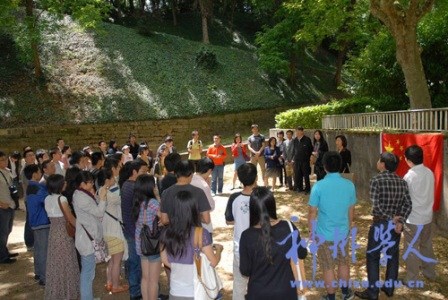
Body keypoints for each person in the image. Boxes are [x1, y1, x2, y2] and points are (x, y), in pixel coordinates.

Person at [355, 152, 412, 300]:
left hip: (380, 223)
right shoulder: (402, 182)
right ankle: (389, 288)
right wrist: (400, 221)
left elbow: (377, 205)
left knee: (373, 256)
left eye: (379, 160)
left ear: (382, 164)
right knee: (392, 256)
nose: (377, 162)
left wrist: (392, 219)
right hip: (395, 227)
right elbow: (408, 204)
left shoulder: (376, 180)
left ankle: (373, 292)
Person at [239, 187, 307, 300]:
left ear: (253, 208)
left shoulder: (247, 236)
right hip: (286, 292)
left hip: (257, 293)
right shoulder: (288, 227)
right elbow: (302, 253)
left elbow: (245, 270)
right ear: (272, 205)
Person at [308, 151, 356, 300]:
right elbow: (351, 211)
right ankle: (346, 292)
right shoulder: (349, 185)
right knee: (343, 262)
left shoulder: (318, 186)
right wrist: (349, 227)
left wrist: (312, 232)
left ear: (324, 166)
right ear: (340, 165)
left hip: (323, 233)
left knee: (327, 266)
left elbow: (312, 212)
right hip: (342, 232)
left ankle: (331, 296)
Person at [160, 190, 223, 300]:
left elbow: (165, 261)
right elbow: (213, 262)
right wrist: (218, 250)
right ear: (194, 210)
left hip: (175, 292)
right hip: (197, 292)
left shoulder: (165, 233)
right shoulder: (200, 233)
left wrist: (178, 268)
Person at [403, 145, 437, 283]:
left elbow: (405, 199)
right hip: (427, 217)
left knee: (411, 248)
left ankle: (412, 277)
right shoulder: (429, 172)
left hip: (413, 219)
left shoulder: (408, 176)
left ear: (408, 160)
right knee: (426, 245)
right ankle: (430, 273)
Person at [225, 163, 257, 300]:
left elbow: (228, 220)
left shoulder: (234, 198)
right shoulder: (262, 196)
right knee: (259, 279)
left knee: (239, 281)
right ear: (256, 178)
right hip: (260, 244)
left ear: (239, 179)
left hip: (240, 245)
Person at [44, 174, 79, 299]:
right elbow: (70, 218)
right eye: (63, 182)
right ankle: (68, 293)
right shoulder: (62, 199)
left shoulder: (47, 199)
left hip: (53, 233)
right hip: (63, 233)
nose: (65, 184)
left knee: (56, 263)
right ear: (59, 185)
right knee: (67, 262)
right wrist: (81, 228)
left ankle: (56, 291)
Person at [73, 171, 107, 300]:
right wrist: (103, 198)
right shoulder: (81, 197)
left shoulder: (83, 194)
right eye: (90, 182)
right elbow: (99, 212)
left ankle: (88, 297)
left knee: (89, 271)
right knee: (87, 272)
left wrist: (98, 197)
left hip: (88, 237)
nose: (93, 184)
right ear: (82, 184)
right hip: (86, 240)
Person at [120, 160, 149, 300]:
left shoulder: (126, 185)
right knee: (136, 264)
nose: (146, 174)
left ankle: (139, 291)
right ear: (134, 172)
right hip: (134, 232)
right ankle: (136, 293)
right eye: (143, 171)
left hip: (131, 230)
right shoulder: (133, 188)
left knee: (135, 263)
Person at [100, 158, 129, 293]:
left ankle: (109, 282)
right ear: (108, 179)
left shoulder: (100, 191)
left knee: (112, 260)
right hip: (114, 229)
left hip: (106, 228)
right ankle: (116, 285)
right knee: (117, 260)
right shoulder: (113, 193)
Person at [134, 174, 162, 300]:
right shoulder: (152, 203)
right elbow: (164, 216)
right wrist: (157, 196)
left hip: (141, 244)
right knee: (153, 281)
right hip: (153, 244)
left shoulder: (137, 202)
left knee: (145, 278)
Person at [160, 160, 211, 227]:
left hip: (174, 234)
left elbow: (164, 220)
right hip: (193, 234)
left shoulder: (166, 193)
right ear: (191, 174)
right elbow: (206, 219)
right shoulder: (199, 192)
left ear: (175, 174)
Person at [24, 164, 49, 286]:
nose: (41, 174)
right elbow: (46, 201)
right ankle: (44, 277)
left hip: (35, 222)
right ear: (34, 174)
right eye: (39, 171)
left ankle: (38, 273)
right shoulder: (38, 188)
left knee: (38, 249)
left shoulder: (31, 187)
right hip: (42, 221)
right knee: (43, 250)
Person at [190, 157, 215, 240]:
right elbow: (211, 206)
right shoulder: (203, 185)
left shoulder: (188, 179)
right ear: (209, 170)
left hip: (189, 224)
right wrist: (208, 186)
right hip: (203, 224)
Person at [0, 151, 18, 264]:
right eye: (2, 159)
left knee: (8, 230)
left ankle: (4, 251)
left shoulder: (8, 171)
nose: (5, 161)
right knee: (2, 231)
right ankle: (2, 256)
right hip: (2, 206)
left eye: (5, 159)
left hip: (10, 204)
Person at [293, 126, 313, 194]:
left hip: (305, 160)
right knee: (298, 174)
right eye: (296, 131)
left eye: (299, 131)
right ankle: (300, 187)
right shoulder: (295, 140)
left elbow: (310, 149)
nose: (297, 132)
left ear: (302, 131)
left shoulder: (307, 139)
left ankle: (307, 189)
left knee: (306, 175)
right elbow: (294, 150)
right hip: (297, 160)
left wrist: (309, 157)